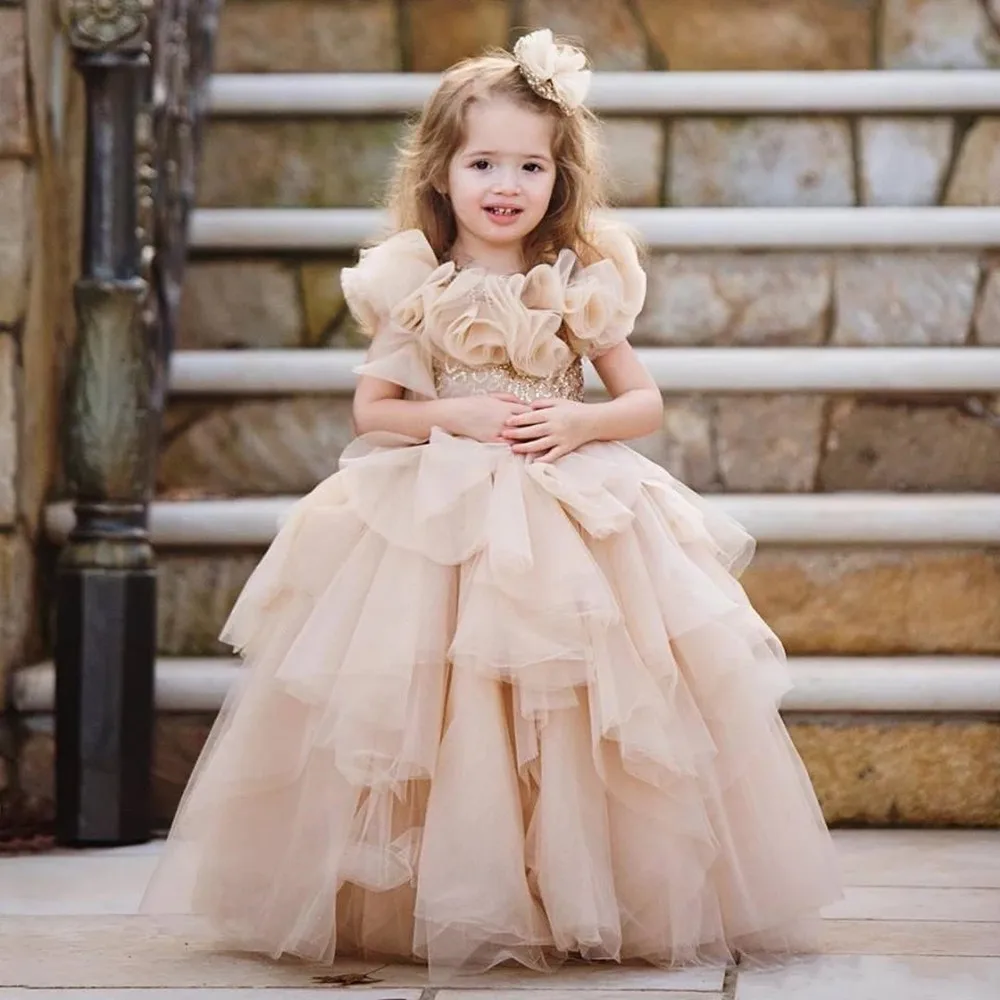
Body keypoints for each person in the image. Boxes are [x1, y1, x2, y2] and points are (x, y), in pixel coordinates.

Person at [142, 28, 842, 977]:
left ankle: (571, 889)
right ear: (442, 173)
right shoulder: (413, 285)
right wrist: (456, 414)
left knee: (572, 698)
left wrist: (581, 427)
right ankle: (445, 887)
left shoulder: (578, 283)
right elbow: (374, 410)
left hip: (569, 503)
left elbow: (643, 399)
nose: (506, 184)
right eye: (483, 162)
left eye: (531, 164)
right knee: (452, 699)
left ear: (560, 177)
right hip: (442, 511)